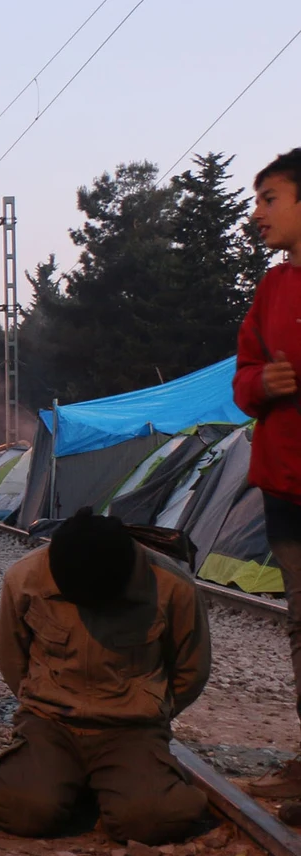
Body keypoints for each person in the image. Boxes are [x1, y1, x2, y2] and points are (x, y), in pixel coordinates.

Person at [0, 510, 211, 845]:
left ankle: (138, 777)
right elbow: (12, 659)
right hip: (50, 723)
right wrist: (42, 702)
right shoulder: (25, 579)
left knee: (153, 820)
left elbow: (191, 669)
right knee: (23, 810)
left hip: (131, 730)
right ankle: (28, 778)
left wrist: (150, 707)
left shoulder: (173, 587)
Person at [234, 148, 301, 800]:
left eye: (270, 198)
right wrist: (263, 383)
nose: (258, 214)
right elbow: (242, 376)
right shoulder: (272, 288)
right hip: (286, 486)